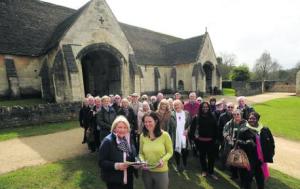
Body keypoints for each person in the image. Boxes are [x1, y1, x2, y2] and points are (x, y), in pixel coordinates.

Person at [237, 112, 275, 189]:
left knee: (260, 178)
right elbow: (238, 142)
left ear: (257, 119)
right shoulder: (243, 129)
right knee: (248, 178)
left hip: (261, 159)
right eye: (250, 118)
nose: (251, 120)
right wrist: (246, 143)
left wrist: (271, 153)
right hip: (249, 159)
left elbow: (271, 142)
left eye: (253, 118)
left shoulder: (265, 130)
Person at [99, 116, 138, 189]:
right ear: (114, 128)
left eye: (125, 127)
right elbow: (101, 162)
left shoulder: (128, 139)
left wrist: (137, 162)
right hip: (114, 181)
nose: (122, 130)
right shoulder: (108, 141)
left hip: (128, 179)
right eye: (120, 127)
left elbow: (132, 155)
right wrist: (116, 165)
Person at [139, 112, 173, 189]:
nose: (147, 124)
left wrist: (163, 160)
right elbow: (140, 153)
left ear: (156, 121)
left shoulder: (165, 135)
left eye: (150, 121)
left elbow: (170, 152)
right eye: (145, 122)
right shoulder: (142, 136)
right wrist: (142, 161)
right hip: (146, 171)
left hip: (161, 171)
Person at [189, 102, 218, 180]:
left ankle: (211, 172)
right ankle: (204, 170)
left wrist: (216, 139)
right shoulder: (197, 117)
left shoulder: (212, 116)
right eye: (203, 107)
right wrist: (194, 139)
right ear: (201, 108)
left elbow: (216, 128)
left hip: (211, 141)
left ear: (209, 107)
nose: (205, 108)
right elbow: (192, 129)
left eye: (207, 107)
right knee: (202, 157)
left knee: (211, 158)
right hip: (200, 142)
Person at [223, 109, 247, 179]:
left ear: (241, 115)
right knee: (233, 160)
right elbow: (224, 131)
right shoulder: (229, 123)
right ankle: (234, 175)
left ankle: (242, 176)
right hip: (232, 145)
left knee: (241, 160)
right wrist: (227, 137)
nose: (236, 116)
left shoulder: (246, 123)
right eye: (234, 114)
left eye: (238, 114)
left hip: (242, 145)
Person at [168, 100, 191, 171]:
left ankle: (185, 164)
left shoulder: (186, 113)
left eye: (178, 105)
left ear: (181, 105)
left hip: (184, 136)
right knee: (176, 151)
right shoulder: (171, 114)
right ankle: (178, 165)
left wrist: (187, 130)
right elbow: (169, 126)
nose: (176, 107)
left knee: (185, 150)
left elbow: (190, 124)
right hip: (175, 136)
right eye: (175, 105)